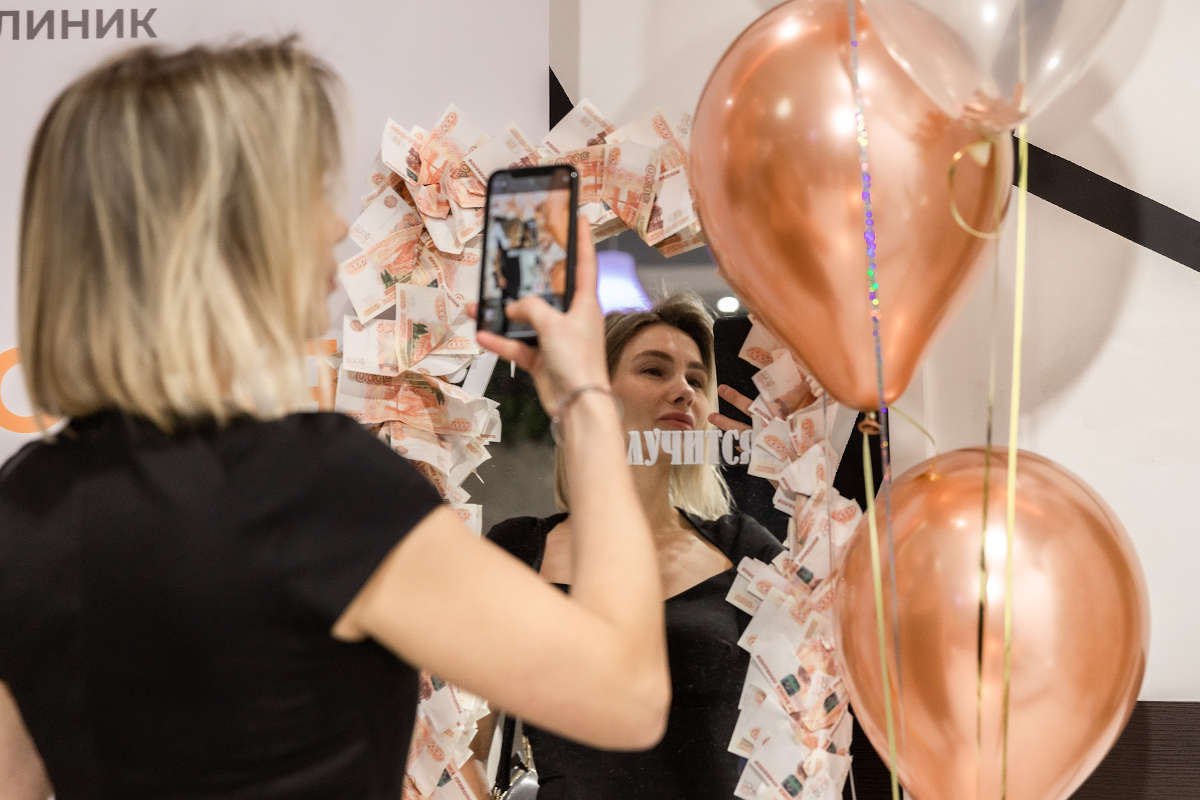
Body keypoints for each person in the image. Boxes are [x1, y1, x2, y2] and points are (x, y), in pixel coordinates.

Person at [0, 40, 671, 799]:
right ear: (220, 231)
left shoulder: (26, 499)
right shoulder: (312, 487)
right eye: (304, 193)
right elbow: (627, 697)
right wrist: (583, 397)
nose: (332, 224)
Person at [479, 293, 785, 799]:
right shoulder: (518, 548)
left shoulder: (743, 547)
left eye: (696, 380)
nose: (683, 391)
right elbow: (462, 746)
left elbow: (828, 678)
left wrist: (803, 481)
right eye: (653, 370)